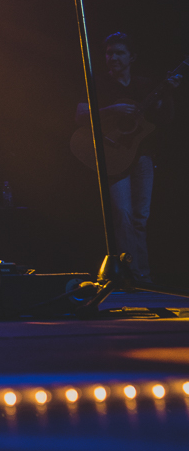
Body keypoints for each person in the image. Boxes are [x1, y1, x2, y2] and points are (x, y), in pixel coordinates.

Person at [76, 32, 179, 283]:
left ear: (132, 57)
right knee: (122, 212)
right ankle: (128, 272)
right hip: (114, 157)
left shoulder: (145, 85)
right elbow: (80, 114)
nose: (113, 57)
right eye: (110, 53)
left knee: (140, 216)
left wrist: (168, 95)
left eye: (119, 52)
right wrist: (113, 109)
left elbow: (165, 119)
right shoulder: (98, 83)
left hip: (142, 155)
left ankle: (141, 273)